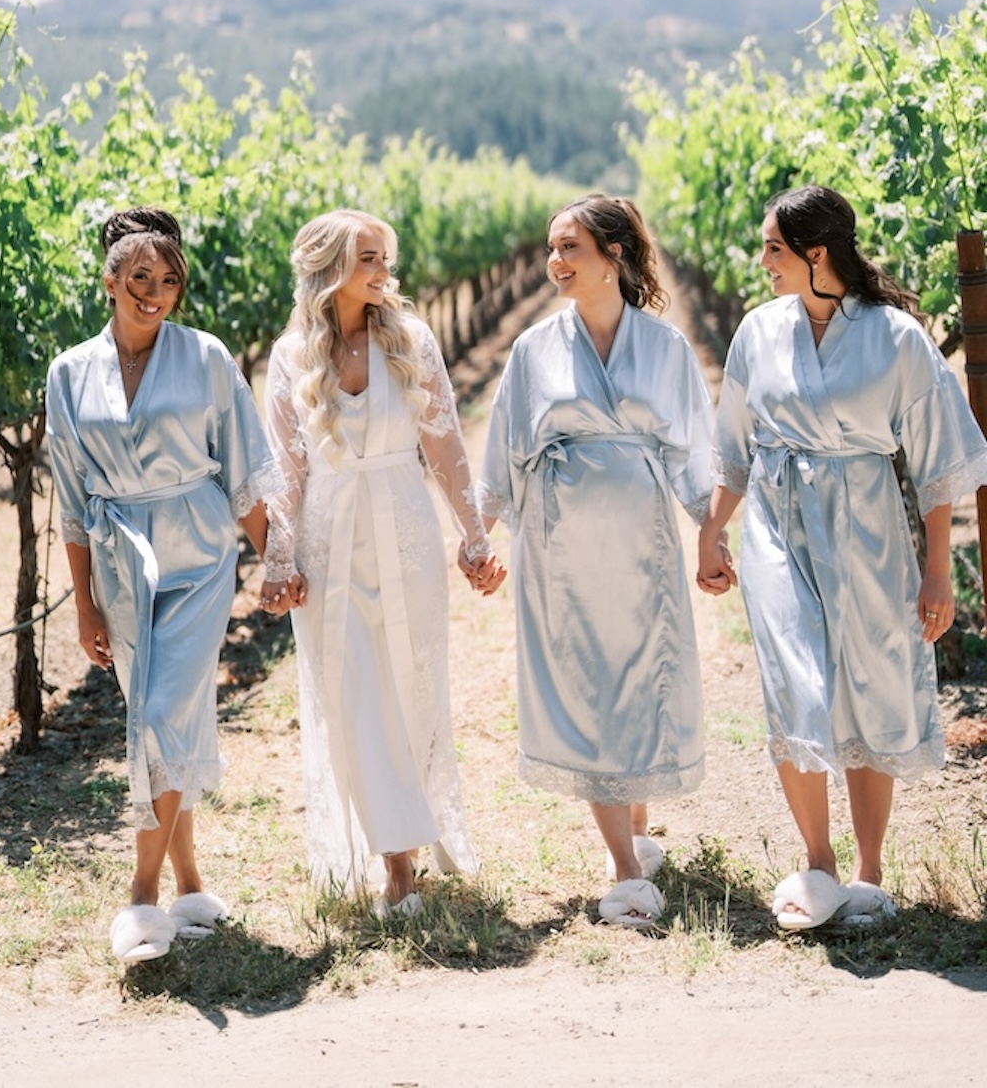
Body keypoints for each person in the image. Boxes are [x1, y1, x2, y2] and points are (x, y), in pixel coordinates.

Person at [697, 185, 987, 931]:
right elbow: (733, 446)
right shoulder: (759, 333)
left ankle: (869, 870)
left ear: (815, 253)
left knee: (867, 681)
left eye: (773, 247)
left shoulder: (895, 337)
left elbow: (937, 459)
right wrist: (712, 531)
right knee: (796, 679)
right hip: (776, 520)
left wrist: (935, 570)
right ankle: (817, 861)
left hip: (867, 520)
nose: (762, 261)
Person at [46, 207, 284, 964]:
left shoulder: (209, 358)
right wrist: (83, 601)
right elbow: (74, 502)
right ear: (110, 279)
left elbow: (243, 471)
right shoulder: (68, 373)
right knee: (161, 720)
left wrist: (277, 560)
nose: (155, 291)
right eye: (140, 277)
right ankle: (191, 881)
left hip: (199, 553)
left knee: (158, 716)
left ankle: (141, 898)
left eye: (169, 279)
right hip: (119, 562)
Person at [474, 194, 716, 929]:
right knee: (588, 684)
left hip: (643, 544)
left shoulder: (666, 348)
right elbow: (503, 447)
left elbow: (693, 452)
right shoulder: (532, 350)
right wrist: (478, 532)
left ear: (615, 255)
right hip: (561, 546)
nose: (555, 261)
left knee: (640, 677)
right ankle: (622, 867)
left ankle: (634, 836)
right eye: (551, 247)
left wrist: (714, 532)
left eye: (570, 246)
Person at [262, 209, 503, 915]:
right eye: (369, 255)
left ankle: (412, 850)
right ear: (332, 264)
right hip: (329, 541)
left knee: (409, 687)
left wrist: (475, 537)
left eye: (384, 255)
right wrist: (280, 559)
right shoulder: (291, 356)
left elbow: (447, 446)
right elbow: (285, 470)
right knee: (352, 695)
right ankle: (396, 866)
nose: (383, 268)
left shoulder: (413, 340)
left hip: (403, 530)